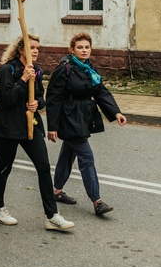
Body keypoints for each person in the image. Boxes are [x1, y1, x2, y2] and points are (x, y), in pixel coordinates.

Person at [0, 34, 75, 231]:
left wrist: (37, 104)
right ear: (21, 50)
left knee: (44, 167)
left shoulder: (37, 70)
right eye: (32, 47)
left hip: (31, 124)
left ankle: (52, 215)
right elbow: (8, 99)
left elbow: (41, 98)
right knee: (4, 167)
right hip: (9, 127)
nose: (36, 51)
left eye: (38, 47)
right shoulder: (7, 70)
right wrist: (22, 80)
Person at [46, 32, 127, 216]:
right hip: (69, 116)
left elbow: (101, 91)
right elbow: (53, 97)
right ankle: (97, 201)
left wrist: (116, 112)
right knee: (87, 157)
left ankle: (56, 191)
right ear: (72, 50)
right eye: (80, 47)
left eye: (87, 47)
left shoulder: (90, 68)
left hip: (82, 116)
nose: (84, 50)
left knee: (68, 155)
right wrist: (52, 126)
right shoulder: (65, 69)